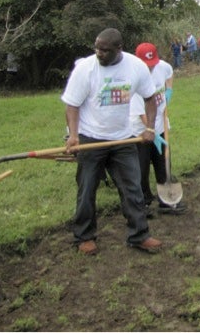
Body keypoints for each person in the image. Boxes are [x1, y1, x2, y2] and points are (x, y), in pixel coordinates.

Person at [61, 28, 162, 255]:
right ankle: (84, 237)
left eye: (105, 50)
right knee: (87, 189)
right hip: (90, 137)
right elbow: (72, 105)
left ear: (119, 48)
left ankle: (139, 235)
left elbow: (150, 99)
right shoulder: (85, 68)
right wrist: (73, 135)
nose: (99, 53)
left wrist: (149, 128)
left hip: (122, 138)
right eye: (97, 48)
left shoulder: (135, 67)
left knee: (133, 188)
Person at [130, 42, 184, 215]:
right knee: (142, 166)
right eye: (147, 66)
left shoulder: (162, 67)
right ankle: (143, 202)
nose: (151, 68)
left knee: (163, 163)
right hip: (140, 130)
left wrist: (169, 90)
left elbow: (169, 73)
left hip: (160, 124)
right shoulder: (133, 79)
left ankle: (166, 201)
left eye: (153, 64)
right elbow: (141, 112)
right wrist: (151, 131)